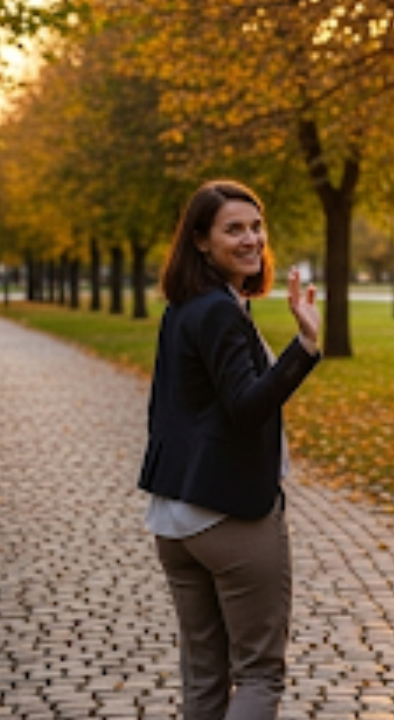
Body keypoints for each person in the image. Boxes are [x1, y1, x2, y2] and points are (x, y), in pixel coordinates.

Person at [138, 179, 322, 720]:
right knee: (260, 674)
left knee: (203, 679)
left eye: (256, 227)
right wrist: (305, 346)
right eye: (233, 229)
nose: (250, 240)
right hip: (229, 517)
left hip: (175, 518)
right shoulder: (217, 310)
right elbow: (245, 406)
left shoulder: (188, 306)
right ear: (200, 240)